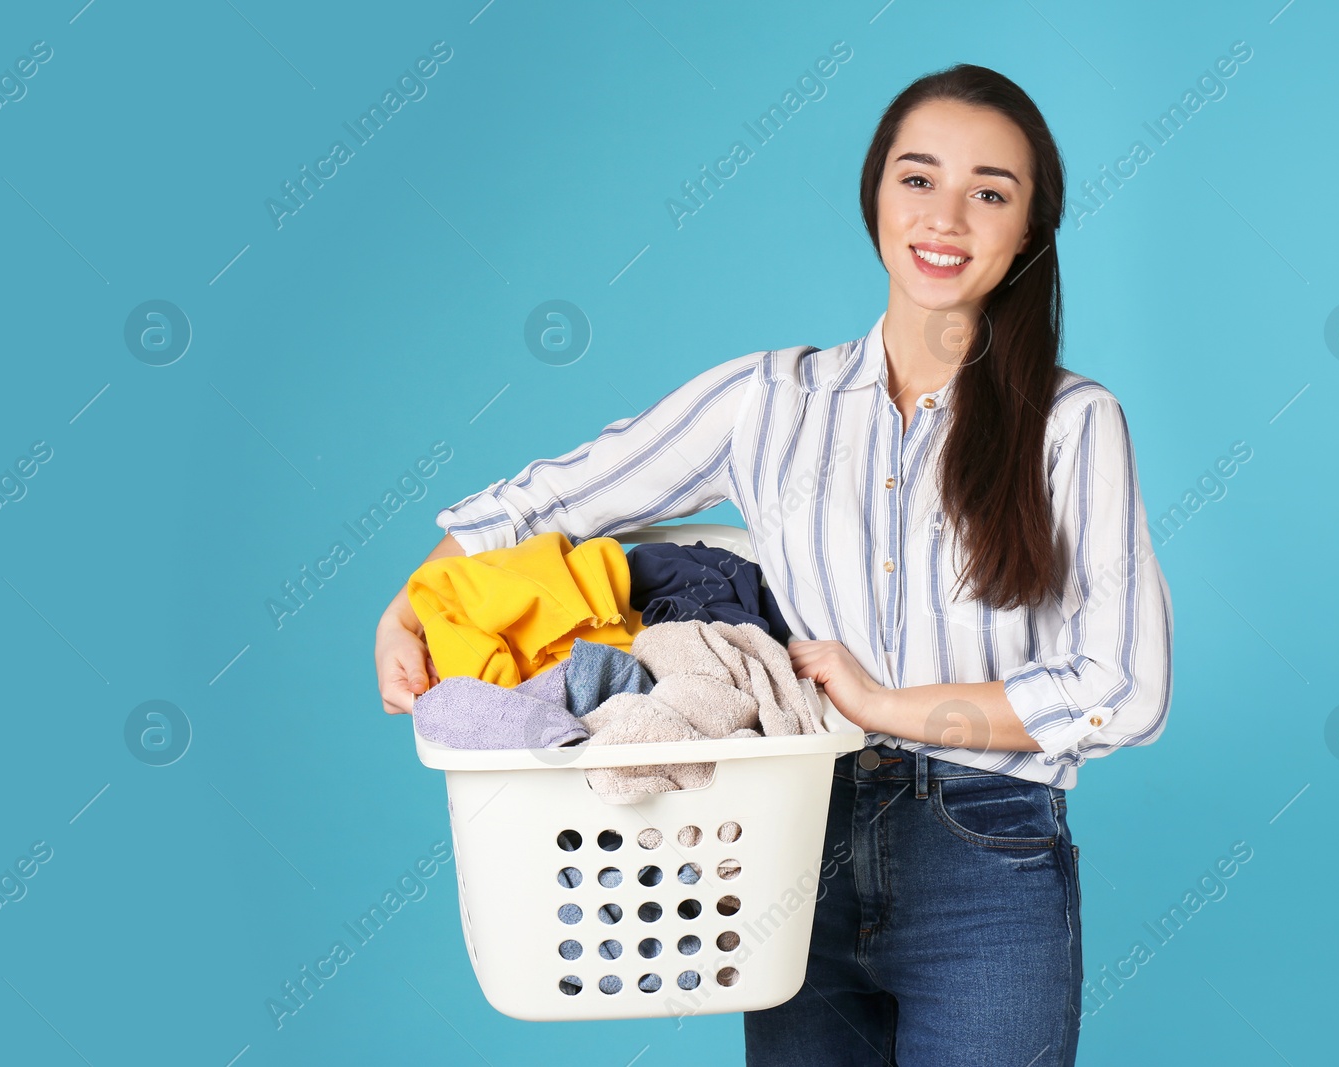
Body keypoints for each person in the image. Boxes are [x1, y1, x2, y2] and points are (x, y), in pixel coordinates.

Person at [374, 62, 1172, 1066]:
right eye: (917, 177)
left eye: (990, 192)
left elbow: (1125, 688)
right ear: (874, 192)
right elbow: (547, 501)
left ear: (1029, 229)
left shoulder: (1072, 422)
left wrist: (886, 705)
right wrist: (410, 604)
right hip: (793, 842)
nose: (947, 216)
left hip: (988, 855)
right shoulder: (767, 402)